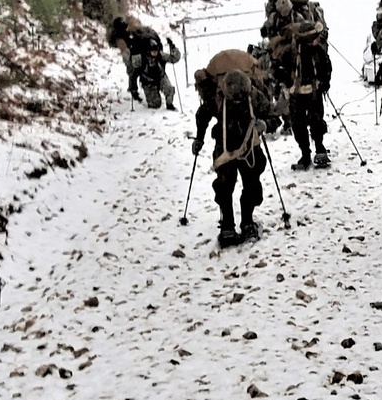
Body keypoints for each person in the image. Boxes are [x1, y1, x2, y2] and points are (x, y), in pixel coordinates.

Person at [192, 50, 279, 246]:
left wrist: (265, 125)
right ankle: (228, 226)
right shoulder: (218, 98)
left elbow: (273, 117)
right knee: (224, 187)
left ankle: (247, 221)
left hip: (250, 148)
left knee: (253, 188)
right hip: (225, 148)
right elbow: (202, 116)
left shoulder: (253, 96)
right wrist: (199, 138)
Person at [274, 18, 332, 169]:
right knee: (298, 125)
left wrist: (325, 82)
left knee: (316, 121)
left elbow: (326, 67)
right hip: (297, 93)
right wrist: (284, 79)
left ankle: (319, 149)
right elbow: (279, 68)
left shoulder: (318, 51)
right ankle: (305, 154)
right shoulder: (291, 52)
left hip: (313, 91)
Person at [135, 28, 180, 109]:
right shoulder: (142, 58)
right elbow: (133, 68)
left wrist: (173, 47)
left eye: (156, 51)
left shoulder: (160, 55)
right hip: (148, 82)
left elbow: (174, 59)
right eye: (153, 51)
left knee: (170, 90)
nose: (155, 53)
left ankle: (169, 105)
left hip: (161, 78)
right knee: (155, 105)